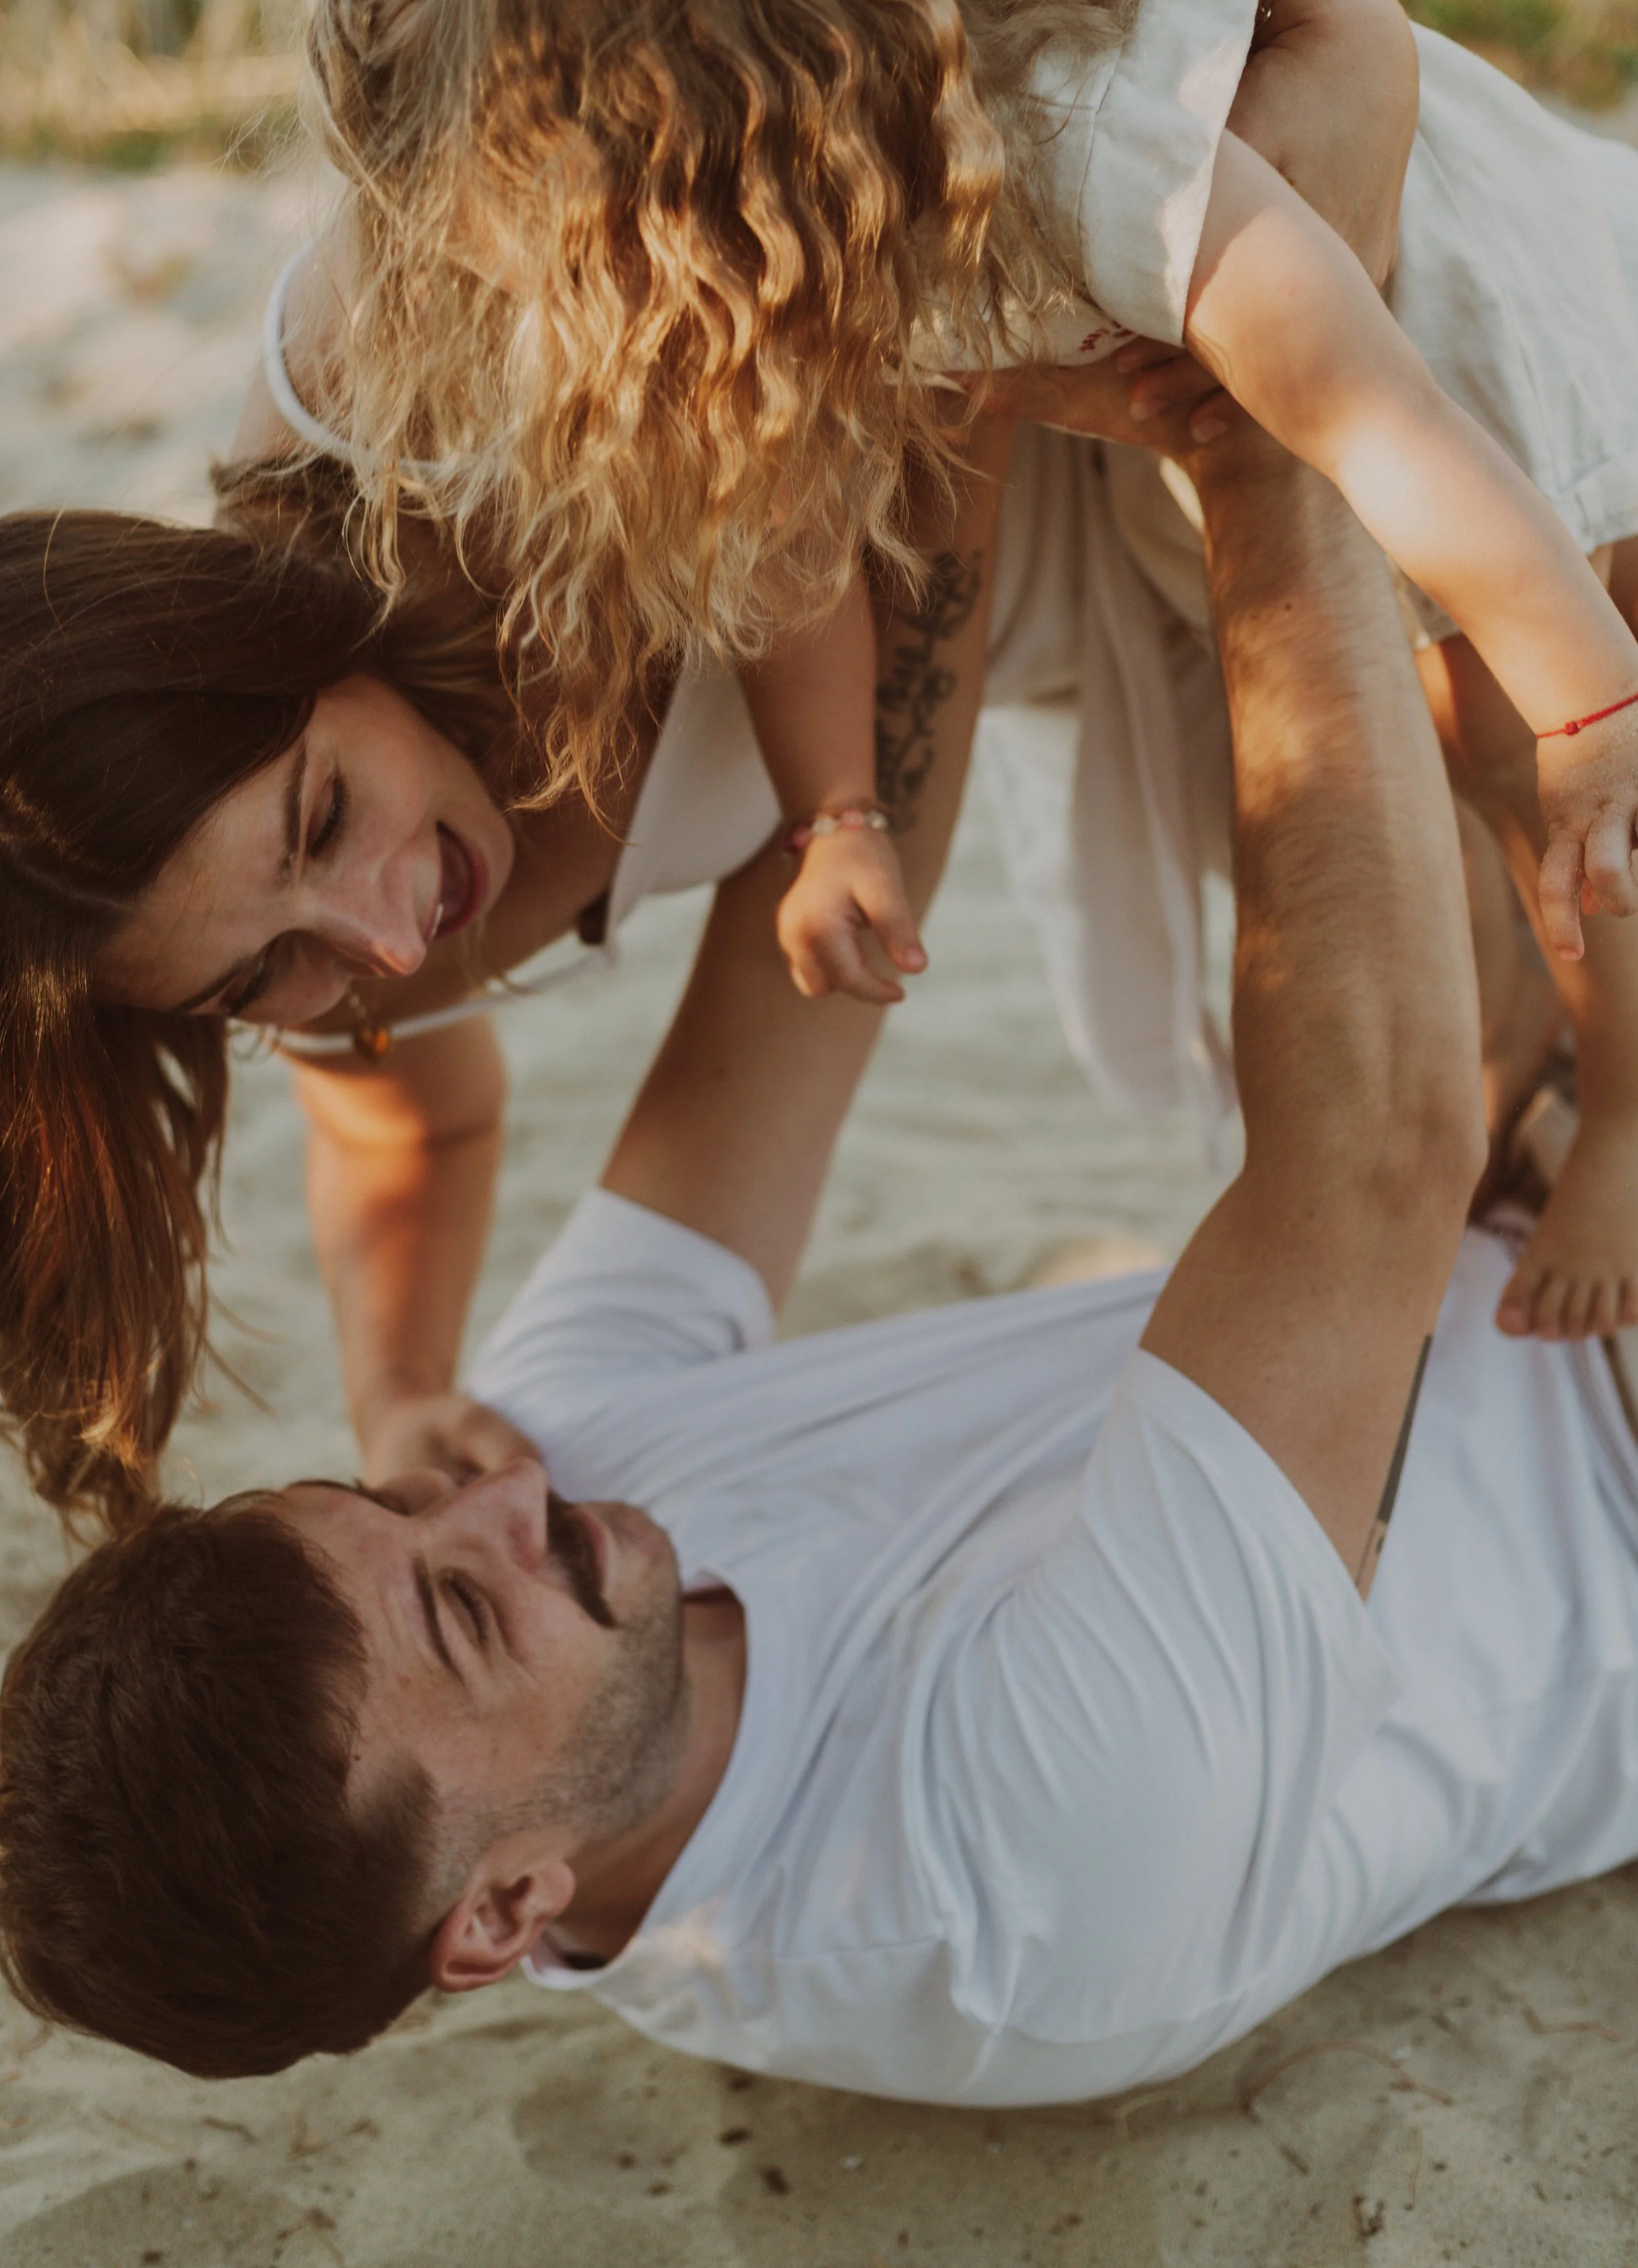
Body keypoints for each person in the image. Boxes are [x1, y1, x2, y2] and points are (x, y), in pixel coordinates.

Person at [15, 412, 1638, 2106]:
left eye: (388, 1502)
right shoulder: (1005, 1881)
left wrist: (938, 411)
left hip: (1528, 1161)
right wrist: (1263, 443)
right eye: (462, 1606)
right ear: (499, 1913)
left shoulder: (540, 1520)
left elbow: (845, 896)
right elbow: (1369, 1160)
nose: (500, 1494)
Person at [0, 0, 1427, 1522]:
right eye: (259, 979)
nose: (383, 941)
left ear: (273, 642)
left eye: (320, 821)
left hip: (1184, 297)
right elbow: (400, 1120)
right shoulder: (310, 925)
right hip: (1059, 546)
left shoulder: (409, 401)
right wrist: (400, 1390)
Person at [299, 0, 1638, 1342]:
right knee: (1416, 763)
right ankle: (1517, 1037)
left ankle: (1623, 1112)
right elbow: (794, 545)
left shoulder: (1083, 142)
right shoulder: (770, 251)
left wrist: (1582, 695)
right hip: (1238, 390)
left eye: (552, 262)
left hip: (1420, 319)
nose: (545, 307)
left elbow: (1370, 412)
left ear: (680, 154)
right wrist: (837, 819)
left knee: (1503, 745)